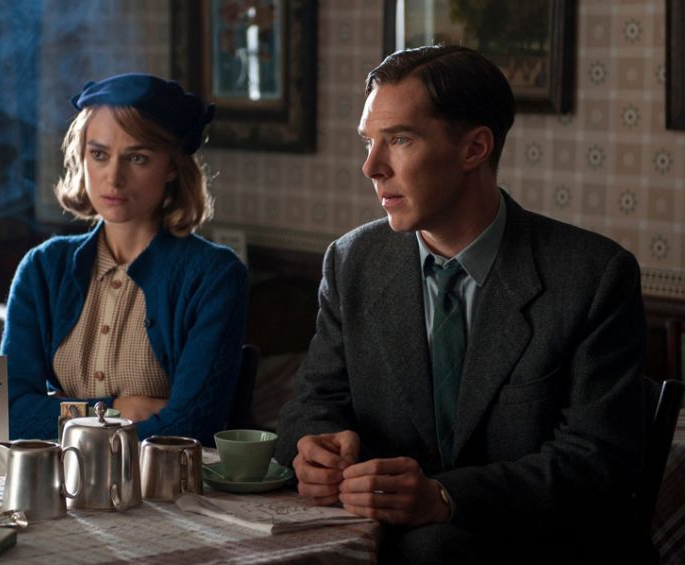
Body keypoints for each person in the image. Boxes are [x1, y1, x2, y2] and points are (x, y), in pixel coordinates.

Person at [275, 45, 647, 564]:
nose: (371, 167)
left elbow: (597, 462)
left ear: (474, 148)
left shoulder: (592, 276)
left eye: (399, 140)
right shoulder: (352, 261)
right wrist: (314, 447)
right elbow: (313, 404)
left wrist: (445, 497)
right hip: (374, 541)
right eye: (368, 141)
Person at [2, 73, 248, 445]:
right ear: (81, 156)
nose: (113, 178)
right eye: (99, 154)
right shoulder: (43, 268)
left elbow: (190, 425)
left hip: (164, 479)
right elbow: (8, 413)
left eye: (137, 158)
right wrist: (115, 411)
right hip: (61, 476)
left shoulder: (214, 275)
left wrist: (59, 410)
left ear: (171, 166)